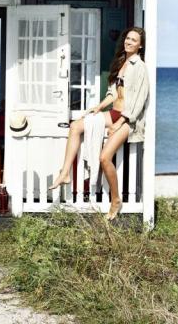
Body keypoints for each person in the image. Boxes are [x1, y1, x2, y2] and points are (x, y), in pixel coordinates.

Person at [48, 27, 149, 220]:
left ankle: (116, 199)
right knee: (76, 126)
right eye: (127, 38)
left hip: (129, 119)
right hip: (114, 113)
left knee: (104, 157)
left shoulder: (140, 67)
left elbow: (138, 101)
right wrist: (98, 107)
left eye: (134, 40)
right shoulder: (122, 62)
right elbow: (113, 93)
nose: (129, 42)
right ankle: (65, 173)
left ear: (140, 45)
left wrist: (119, 123)